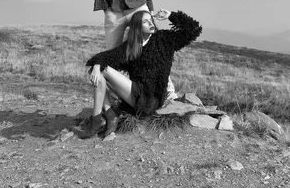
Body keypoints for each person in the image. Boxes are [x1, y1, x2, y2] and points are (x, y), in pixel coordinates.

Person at [83, 8, 202, 138]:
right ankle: (105, 116)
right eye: (146, 22)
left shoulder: (164, 39)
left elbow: (193, 29)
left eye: (151, 20)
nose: (151, 23)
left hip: (151, 100)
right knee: (97, 69)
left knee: (101, 69)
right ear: (137, 27)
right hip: (136, 95)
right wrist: (96, 66)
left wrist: (171, 15)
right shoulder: (131, 47)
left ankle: (101, 118)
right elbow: (105, 57)